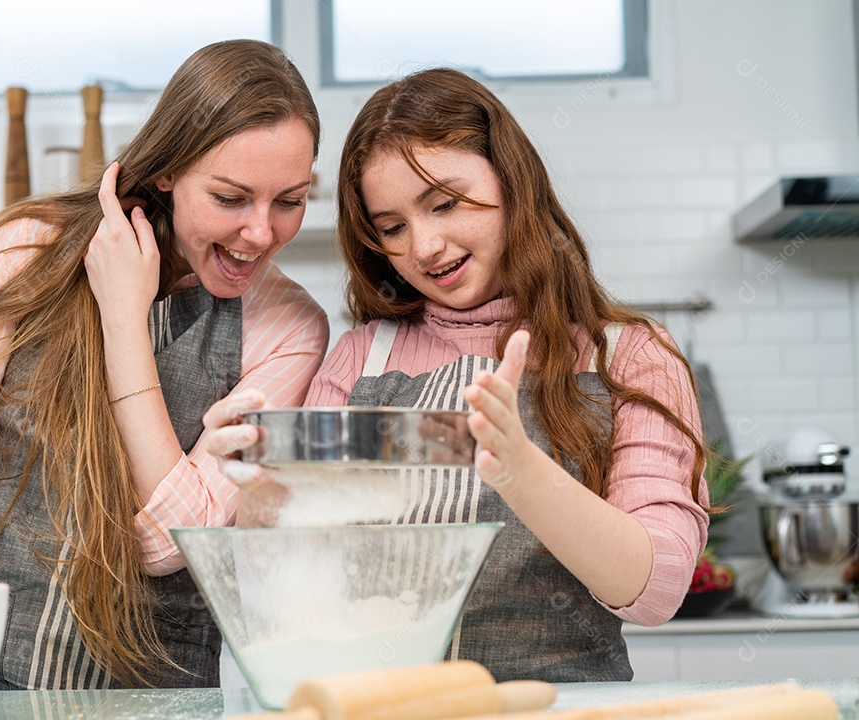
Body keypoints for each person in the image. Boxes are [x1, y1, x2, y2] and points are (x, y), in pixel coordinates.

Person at [205, 67, 709, 682]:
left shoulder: (629, 357)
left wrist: (522, 472)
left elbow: (657, 588)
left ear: (512, 181)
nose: (424, 246)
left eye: (445, 203)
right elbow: (295, 597)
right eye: (392, 227)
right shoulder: (360, 360)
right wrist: (260, 503)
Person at [0, 39, 329, 690]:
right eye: (230, 197)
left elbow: (171, 542)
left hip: (144, 695)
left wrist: (122, 319)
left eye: (289, 201)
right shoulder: (26, 249)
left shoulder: (290, 328)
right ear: (168, 170)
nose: (260, 233)